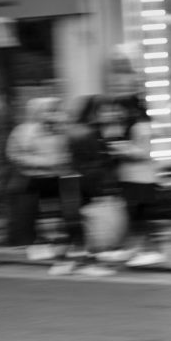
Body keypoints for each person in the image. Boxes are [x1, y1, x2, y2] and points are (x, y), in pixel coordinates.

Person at [60, 95, 124, 276]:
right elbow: (93, 165)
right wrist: (102, 190)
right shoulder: (88, 133)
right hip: (85, 184)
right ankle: (86, 263)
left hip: (77, 183)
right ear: (94, 112)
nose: (111, 113)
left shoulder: (81, 130)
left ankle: (72, 262)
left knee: (80, 225)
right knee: (89, 226)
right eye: (106, 110)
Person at [5, 97, 69, 251]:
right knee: (29, 215)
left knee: (53, 213)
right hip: (29, 180)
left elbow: (65, 153)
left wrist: (59, 161)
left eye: (53, 110)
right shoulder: (23, 131)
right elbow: (13, 154)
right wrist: (42, 162)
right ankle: (28, 244)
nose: (51, 114)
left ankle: (51, 241)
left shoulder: (59, 130)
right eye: (48, 110)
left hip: (53, 179)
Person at [112, 93, 166, 267]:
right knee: (136, 216)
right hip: (133, 178)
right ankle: (136, 248)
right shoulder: (133, 124)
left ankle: (152, 251)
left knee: (143, 217)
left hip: (141, 178)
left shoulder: (141, 126)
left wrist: (121, 149)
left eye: (119, 108)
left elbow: (142, 152)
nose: (117, 112)